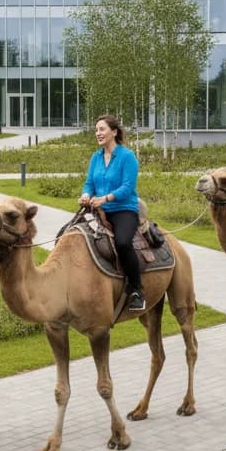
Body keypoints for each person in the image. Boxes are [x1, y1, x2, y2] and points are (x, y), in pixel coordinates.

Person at [80, 113, 145, 311]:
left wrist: (105, 198)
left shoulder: (127, 157)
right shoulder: (96, 157)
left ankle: (137, 290)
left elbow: (127, 187)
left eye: (102, 129)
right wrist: (85, 195)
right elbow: (89, 183)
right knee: (69, 234)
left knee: (123, 243)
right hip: (97, 210)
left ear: (114, 132)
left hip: (122, 209)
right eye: (96, 130)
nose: (98, 133)